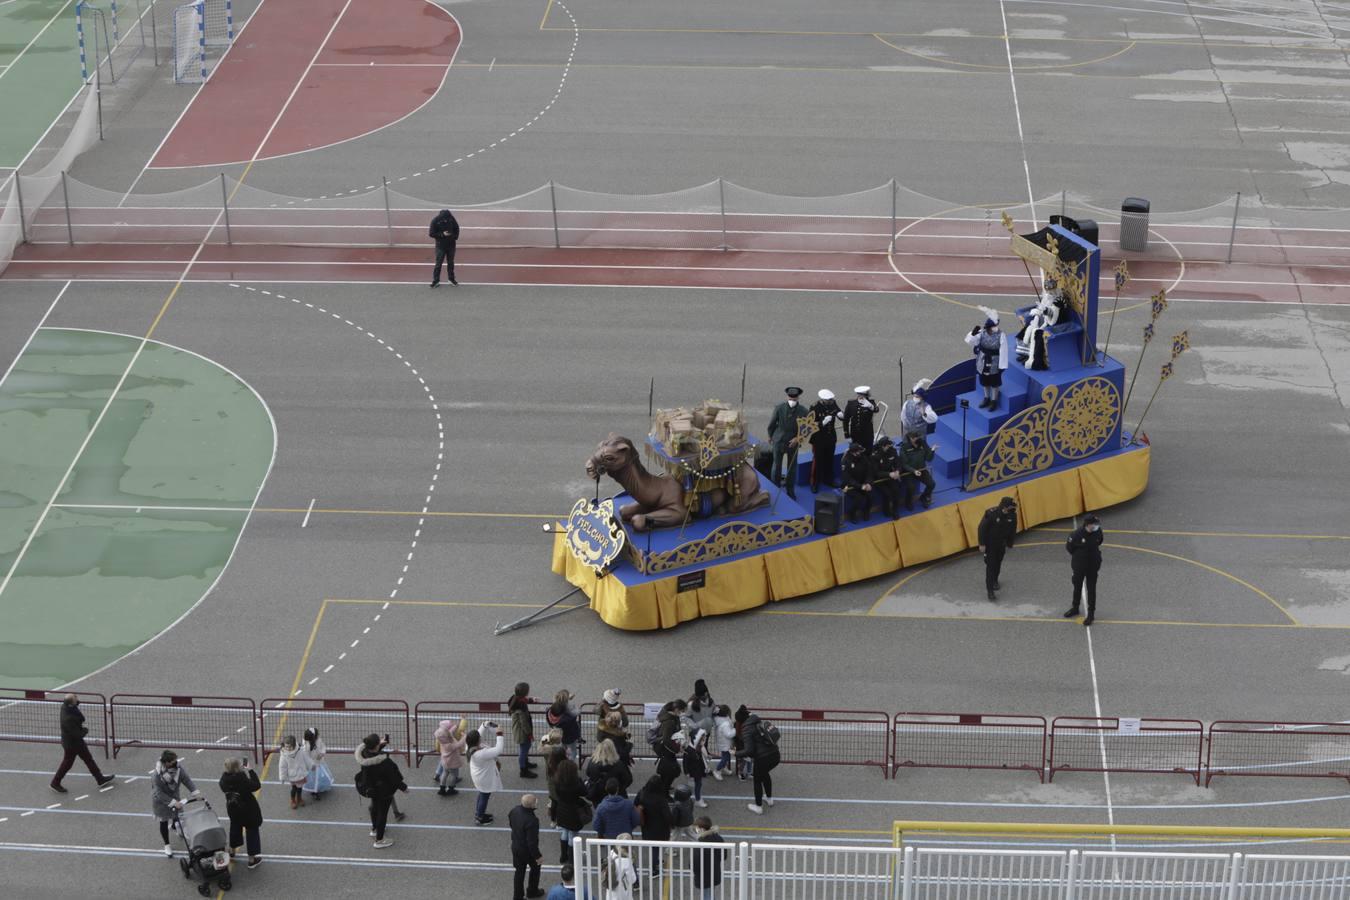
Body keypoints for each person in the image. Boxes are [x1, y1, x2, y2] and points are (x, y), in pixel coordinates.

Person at [50, 694, 114, 793]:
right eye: (76, 700)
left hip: (73, 742)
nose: (78, 700)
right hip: (73, 744)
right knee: (69, 763)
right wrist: (85, 730)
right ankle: (55, 782)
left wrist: (75, 702)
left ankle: (100, 779)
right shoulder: (69, 719)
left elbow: (74, 708)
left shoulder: (66, 707)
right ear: (72, 703)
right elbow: (77, 734)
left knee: (87, 759)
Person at [355, 733, 407, 848]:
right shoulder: (384, 762)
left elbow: (372, 752)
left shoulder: (363, 755)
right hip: (383, 790)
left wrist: (381, 744)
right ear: (376, 746)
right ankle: (380, 840)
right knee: (382, 814)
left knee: (374, 808)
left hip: (371, 788)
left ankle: (374, 829)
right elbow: (393, 777)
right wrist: (403, 787)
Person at [151, 750, 200, 856]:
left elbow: (186, 780)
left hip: (174, 797)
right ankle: (167, 845)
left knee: (177, 816)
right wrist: (172, 802)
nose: (176, 762)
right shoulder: (156, 775)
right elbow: (158, 793)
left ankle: (176, 827)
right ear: (167, 763)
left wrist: (195, 792)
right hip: (161, 802)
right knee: (163, 822)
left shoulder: (178, 768)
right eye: (173, 760)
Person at [218, 757, 263, 870]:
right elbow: (256, 785)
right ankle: (252, 860)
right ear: (238, 767)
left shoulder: (223, 780)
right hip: (248, 810)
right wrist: (250, 770)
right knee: (252, 831)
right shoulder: (243, 779)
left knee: (235, 828)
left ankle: (232, 851)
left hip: (234, 809)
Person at [766, 386, 808, 500]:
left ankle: (790, 490)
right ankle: (775, 488)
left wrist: (797, 438)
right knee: (776, 466)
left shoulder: (804, 411)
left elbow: (806, 429)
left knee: (791, 468)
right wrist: (770, 436)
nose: (792, 400)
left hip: (793, 443)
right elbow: (772, 424)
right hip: (779, 441)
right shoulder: (779, 408)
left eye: (794, 398)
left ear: (798, 397)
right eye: (791, 397)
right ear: (787, 396)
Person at [736, 707, 780, 815]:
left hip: (762, 759)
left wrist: (735, 753)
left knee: (757, 781)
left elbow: (749, 750)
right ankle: (769, 799)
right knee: (765, 774)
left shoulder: (746, 729)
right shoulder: (757, 720)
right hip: (775, 755)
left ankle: (758, 806)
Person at [1064, 514, 1106, 626]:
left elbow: (1100, 541)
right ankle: (1075, 607)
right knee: (1077, 586)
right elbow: (1069, 548)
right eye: (1095, 524)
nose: (1097, 526)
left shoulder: (1097, 531)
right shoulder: (1076, 534)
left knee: (1091, 589)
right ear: (1088, 525)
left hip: (1093, 566)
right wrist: (1080, 557)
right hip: (1079, 566)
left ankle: (1091, 613)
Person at [548, 757, 590, 864]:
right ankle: (572, 859)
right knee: (573, 834)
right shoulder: (576, 784)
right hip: (574, 811)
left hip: (561, 809)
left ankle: (563, 856)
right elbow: (585, 792)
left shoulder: (557, 781)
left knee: (565, 832)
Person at [965, 307, 1009, 409]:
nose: (995, 328)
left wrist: (1002, 366)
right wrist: (973, 333)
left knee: (994, 382)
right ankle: (986, 398)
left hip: (994, 361)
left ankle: (994, 400)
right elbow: (971, 342)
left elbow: (1004, 350)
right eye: (994, 326)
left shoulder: (1001, 335)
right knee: (984, 381)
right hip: (983, 360)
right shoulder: (982, 332)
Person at [978, 496, 1018, 601]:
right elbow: (982, 528)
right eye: (1010, 507)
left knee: (998, 564)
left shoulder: (1012, 515)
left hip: (1001, 544)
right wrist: (982, 544)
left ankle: (995, 580)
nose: (1013, 509)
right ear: (1005, 507)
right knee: (990, 566)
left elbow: (1012, 529)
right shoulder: (991, 514)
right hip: (990, 545)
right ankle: (990, 591)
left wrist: (1010, 543)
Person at [634, 774, 673, 879]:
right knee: (656, 848)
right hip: (660, 827)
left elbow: (635, 804)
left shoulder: (642, 794)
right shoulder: (661, 799)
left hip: (647, 825)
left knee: (653, 847)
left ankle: (656, 863)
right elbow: (667, 816)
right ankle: (653, 869)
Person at [468, 721, 506, 825]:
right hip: (484, 778)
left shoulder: (470, 747)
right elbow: (498, 749)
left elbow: (478, 734)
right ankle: (480, 818)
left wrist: (484, 725)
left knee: (482, 794)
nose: (481, 738)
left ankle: (479, 813)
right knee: (484, 796)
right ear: (477, 741)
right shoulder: (481, 753)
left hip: (479, 776)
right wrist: (499, 734)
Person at [509, 794, 546, 900]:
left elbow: (511, 823)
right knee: (535, 867)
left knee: (519, 872)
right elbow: (532, 842)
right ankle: (532, 891)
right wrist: (538, 856)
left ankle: (518, 896)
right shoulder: (532, 820)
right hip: (527, 851)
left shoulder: (514, 810)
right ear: (531, 806)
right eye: (535, 802)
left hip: (516, 846)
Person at [808, 388, 842, 492]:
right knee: (817, 461)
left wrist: (841, 415)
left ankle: (828, 479)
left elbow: (838, 411)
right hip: (819, 438)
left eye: (831, 400)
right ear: (823, 400)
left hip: (830, 437)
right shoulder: (815, 407)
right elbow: (809, 424)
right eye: (828, 400)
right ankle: (814, 482)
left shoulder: (833, 403)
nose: (831, 401)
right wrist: (822, 422)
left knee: (829, 459)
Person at [897, 430, 937, 511]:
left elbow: (928, 458)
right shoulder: (904, 447)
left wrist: (932, 451)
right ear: (910, 438)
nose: (917, 438)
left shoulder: (922, 443)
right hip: (908, 472)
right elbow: (904, 464)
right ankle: (908, 502)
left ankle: (924, 497)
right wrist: (913, 471)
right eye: (914, 437)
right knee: (911, 487)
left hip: (921, 469)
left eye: (917, 436)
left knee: (932, 484)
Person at [585, 738, 633, 803]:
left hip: (598, 796)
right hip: (617, 795)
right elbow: (628, 779)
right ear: (613, 750)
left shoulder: (592, 763)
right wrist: (621, 787)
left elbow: (588, 773)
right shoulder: (619, 764)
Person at [510, 682, 540, 779]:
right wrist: (530, 734)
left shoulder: (515, 699)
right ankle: (523, 770)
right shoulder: (521, 707)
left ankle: (525, 763)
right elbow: (524, 724)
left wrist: (531, 700)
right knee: (524, 749)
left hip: (519, 731)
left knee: (525, 748)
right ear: (525, 692)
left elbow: (523, 700)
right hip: (522, 733)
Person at [692, 816, 726, 900]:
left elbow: (694, 863)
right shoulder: (718, 838)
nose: (696, 829)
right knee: (710, 894)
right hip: (715, 873)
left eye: (697, 828)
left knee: (706, 896)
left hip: (703, 877)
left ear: (702, 829)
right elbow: (724, 856)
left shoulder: (700, 843)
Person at [869, 437, 903, 519]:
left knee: (896, 491)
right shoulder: (874, 455)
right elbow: (876, 473)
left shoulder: (892, 451)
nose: (890, 446)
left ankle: (895, 510)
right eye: (888, 445)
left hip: (891, 475)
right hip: (879, 479)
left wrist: (898, 471)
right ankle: (886, 510)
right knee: (887, 494)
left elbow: (897, 462)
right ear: (883, 446)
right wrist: (889, 474)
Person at [840, 441, 873, 523]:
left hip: (863, 483)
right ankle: (852, 514)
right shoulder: (846, 461)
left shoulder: (863, 458)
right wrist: (860, 486)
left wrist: (868, 482)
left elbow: (869, 471)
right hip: (850, 486)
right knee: (858, 499)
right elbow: (847, 478)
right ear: (854, 452)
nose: (860, 452)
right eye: (859, 451)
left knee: (870, 496)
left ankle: (866, 511)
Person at [547, 689, 583, 761]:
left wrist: (565, 699)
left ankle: (563, 762)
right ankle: (569, 765)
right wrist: (568, 702)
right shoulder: (568, 717)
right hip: (570, 737)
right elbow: (578, 711)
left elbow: (556, 704)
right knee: (573, 752)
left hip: (560, 737)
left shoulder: (550, 711)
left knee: (564, 750)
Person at [435, 718, 468, 796]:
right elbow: (460, 744)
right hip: (452, 763)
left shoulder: (443, 741)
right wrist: (464, 737)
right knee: (454, 775)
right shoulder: (449, 745)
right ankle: (451, 788)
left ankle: (442, 788)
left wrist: (456, 725)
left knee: (445, 773)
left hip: (445, 762)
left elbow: (450, 731)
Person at [277, 735, 311, 809]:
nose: (288, 748)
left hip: (301, 773)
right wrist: (282, 777)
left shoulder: (300, 751)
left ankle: (299, 798)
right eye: (286, 747)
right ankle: (293, 800)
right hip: (293, 775)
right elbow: (282, 767)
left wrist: (311, 765)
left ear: (294, 745)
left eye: (290, 747)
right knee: (294, 788)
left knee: (300, 788)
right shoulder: (284, 755)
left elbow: (306, 759)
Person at [428, 208, 460, 286]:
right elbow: (431, 233)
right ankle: (436, 280)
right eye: (446, 218)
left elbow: (457, 228)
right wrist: (442, 234)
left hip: (451, 245)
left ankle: (451, 279)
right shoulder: (435, 221)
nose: (447, 219)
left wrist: (455, 237)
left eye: (448, 217)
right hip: (440, 246)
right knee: (438, 263)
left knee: (451, 263)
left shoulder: (451, 218)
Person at [302, 728, 333, 801]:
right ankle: (314, 792)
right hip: (312, 765)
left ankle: (318, 787)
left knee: (319, 775)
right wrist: (311, 765)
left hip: (319, 762)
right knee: (313, 778)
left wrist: (322, 753)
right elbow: (306, 757)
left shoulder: (318, 740)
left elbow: (323, 746)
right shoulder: (306, 746)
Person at [710, 704, 735, 781]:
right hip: (725, 743)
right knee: (725, 757)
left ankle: (724, 767)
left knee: (726, 756)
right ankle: (717, 770)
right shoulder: (725, 724)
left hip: (722, 742)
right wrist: (735, 730)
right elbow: (729, 734)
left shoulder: (718, 719)